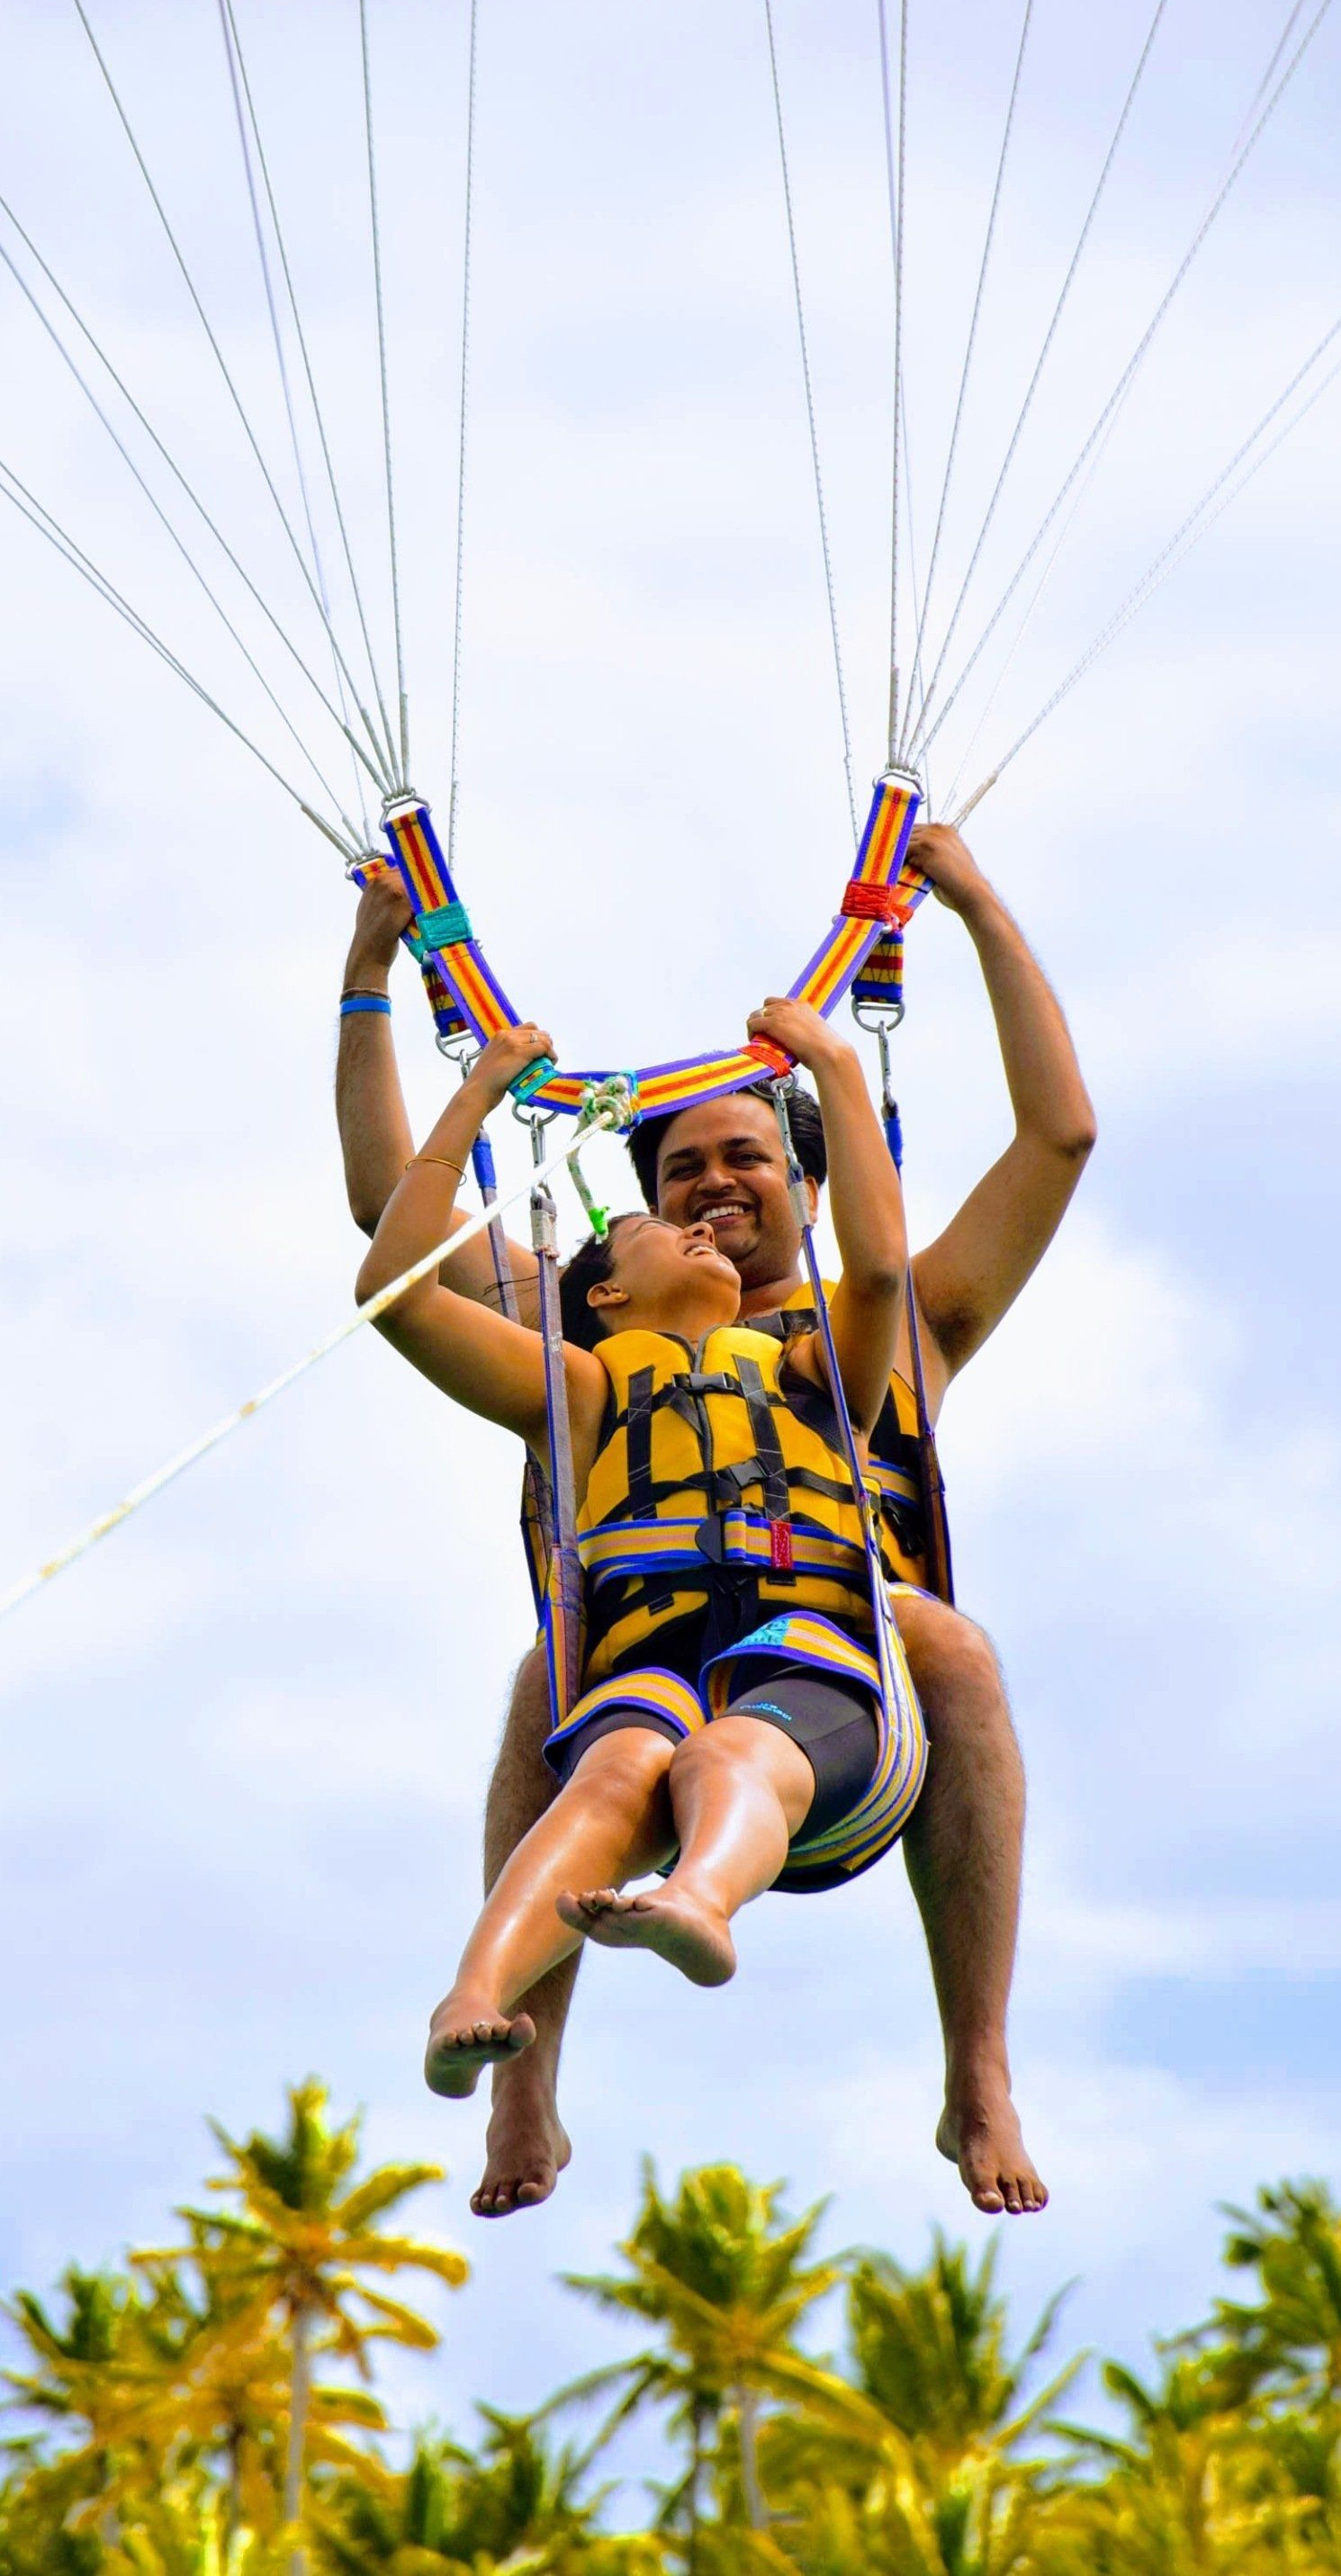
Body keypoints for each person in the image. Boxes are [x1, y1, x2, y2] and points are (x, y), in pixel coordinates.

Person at [335, 820, 1094, 2219]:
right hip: (634, 1677)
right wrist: (371, 974)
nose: (711, 1186)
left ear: (809, 1186)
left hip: (845, 1688)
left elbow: (1061, 1135)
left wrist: (974, 904)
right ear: (631, 1243)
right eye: (679, 1174)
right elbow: (397, 1225)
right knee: (545, 1686)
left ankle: (976, 2073)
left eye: (745, 1155)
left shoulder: (879, 1329)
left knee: (955, 1643)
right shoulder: (585, 1349)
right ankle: (520, 2080)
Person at [353, 1004, 916, 2099]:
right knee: (615, 1771)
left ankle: (701, 1897)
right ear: (603, 1294)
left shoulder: (816, 1369)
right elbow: (395, 1290)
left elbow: (882, 1270)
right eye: (665, 1227)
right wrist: (474, 1094)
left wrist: (837, 1064)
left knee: (726, 1756)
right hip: (645, 1666)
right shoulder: (580, 1384)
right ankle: (473, 1992)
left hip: (807, 1657)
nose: (702, 1229)